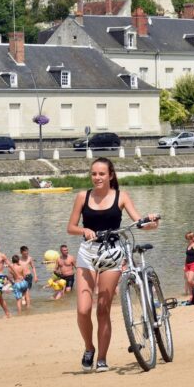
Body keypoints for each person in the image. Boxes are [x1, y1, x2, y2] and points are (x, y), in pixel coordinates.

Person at [67, 157, 159, 372]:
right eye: (93, 174)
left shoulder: (121, 197)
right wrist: (84, 230)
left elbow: (139, 222)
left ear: (110, 175)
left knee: (102, 309)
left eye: (101, 174)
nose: (97, 177)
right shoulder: (83, 196)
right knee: (83, 309)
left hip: (113, 254)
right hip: (88, 254)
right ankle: (89, 347)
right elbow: (70, 227)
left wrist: (151, 223)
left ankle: (101, 358)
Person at [182, 231, 194, 301]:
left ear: (193, 238)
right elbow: (186, 256)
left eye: (189, 238)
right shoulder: (188, 245)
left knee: (190, 280)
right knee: (188, 281)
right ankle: (191, 295)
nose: (188, 240)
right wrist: (184, 266)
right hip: (187, 265)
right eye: (187, 238)